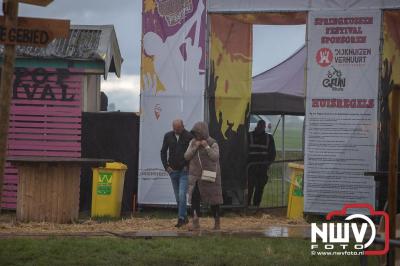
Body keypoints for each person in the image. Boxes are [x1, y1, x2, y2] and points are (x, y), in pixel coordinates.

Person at [184, 121, 223, 230]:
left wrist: (206, 147)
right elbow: (186, 156)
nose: (196, 136)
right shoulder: (192, 142)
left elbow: (215, 157)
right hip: (196, 176)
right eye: (195, 133)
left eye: (198, 133)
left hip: (209, 176)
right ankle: (195, 221)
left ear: (203, 133)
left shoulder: (212, 143)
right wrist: (194, 148)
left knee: (214, 200)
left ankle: (217, 222)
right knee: (194, 198)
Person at [161, 119, 193, 227]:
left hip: (184, 172)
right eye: (174, 128)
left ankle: (180, 219)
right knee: (178, 197)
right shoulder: (168, 136)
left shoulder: (189, 137)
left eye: (178, 128)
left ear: (182, 126)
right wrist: (166, 167)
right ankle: (184, 217)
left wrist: (188, 166)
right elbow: (163, 151)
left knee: (181, 195)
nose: (175, 130)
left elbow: (193, 154)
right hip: (173, 171)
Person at [247, 119, 276, 207]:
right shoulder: (249, 136)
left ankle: (255, 206)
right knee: (250, 188)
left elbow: (272, 154)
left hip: (258, 168)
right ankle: (249, 205)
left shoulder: (268, 138)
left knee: (258, 188)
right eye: (260, 126)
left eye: (262, 126)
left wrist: (267, 164)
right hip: (252, 168)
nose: (261, 128)